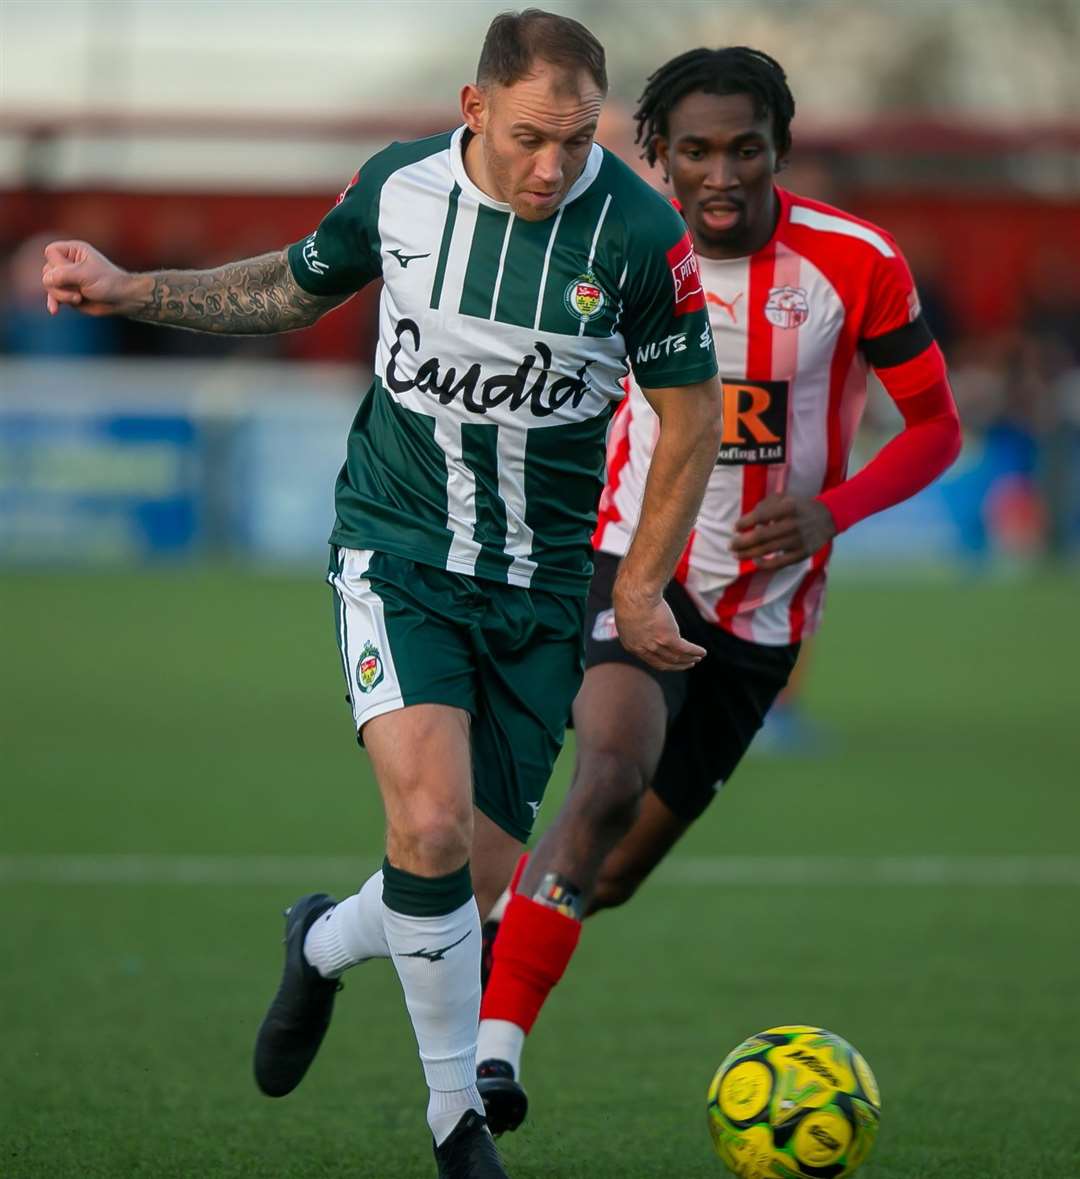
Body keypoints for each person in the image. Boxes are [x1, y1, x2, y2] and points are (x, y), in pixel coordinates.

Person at [41, 12, 723, 1178]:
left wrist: (646, 586)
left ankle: (321, 941)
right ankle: (455, 1123)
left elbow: (693, 418)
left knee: (469, 879)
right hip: (397, 550)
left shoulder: (641, 234)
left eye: (575, 141)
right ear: (473, 110)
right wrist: (127, 286)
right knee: (428, 824)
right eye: (527, 139)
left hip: (543, 587)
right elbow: (291, 291)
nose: (553, 166)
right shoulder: (400, 191)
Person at [475, 45, 963, 1136]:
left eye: (745, 147)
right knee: (602, 778)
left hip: (767, 616)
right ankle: (487, 1058)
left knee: (607, 875)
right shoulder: (609, 249)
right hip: (635, 567)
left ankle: (385, 928)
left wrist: (837, 508)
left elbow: (937, 429)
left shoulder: (857, 262)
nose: (721, 172)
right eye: (694, 149)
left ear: (779, 147)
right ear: (658, 156)